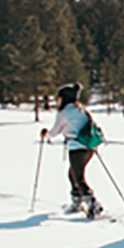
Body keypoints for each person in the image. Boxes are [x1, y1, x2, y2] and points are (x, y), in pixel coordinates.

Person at [41, 82, 103, 218]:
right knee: (72, 174)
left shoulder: (64, 113)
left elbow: (55, 131)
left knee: (78, 176)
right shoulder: (82, 110)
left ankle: (92, 203)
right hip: (89, 147)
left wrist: (47, 134)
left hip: (76, 148)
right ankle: (77, 200)